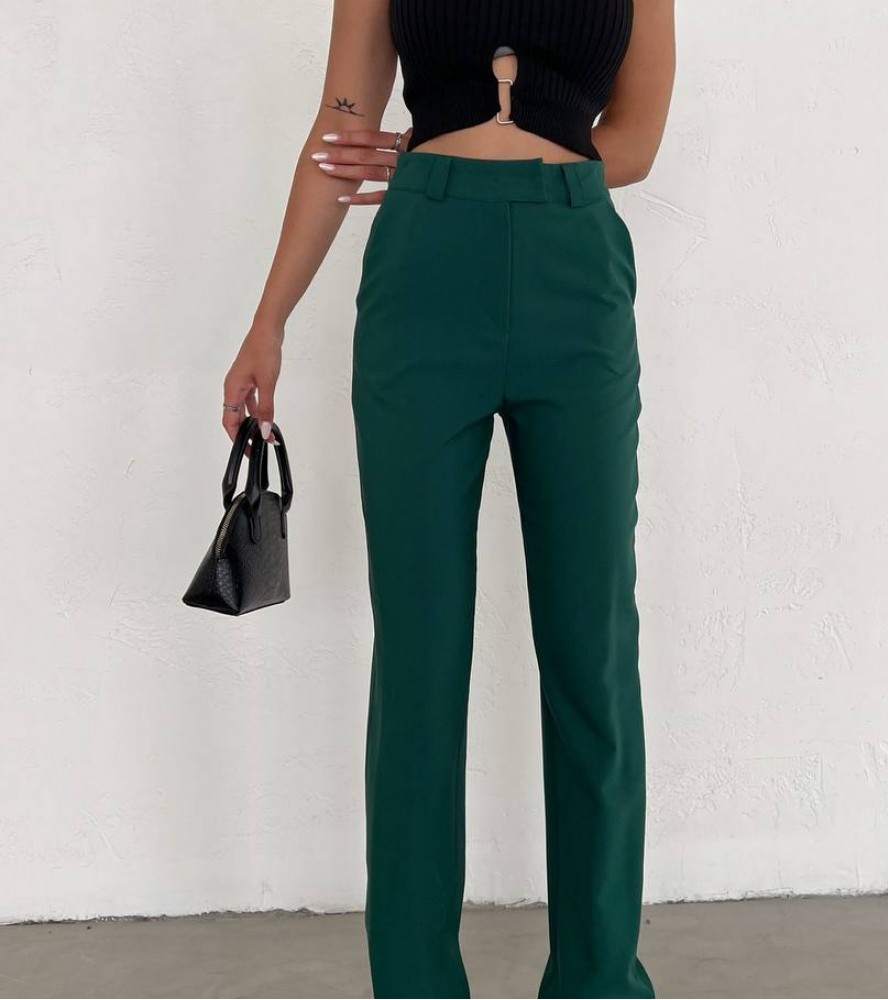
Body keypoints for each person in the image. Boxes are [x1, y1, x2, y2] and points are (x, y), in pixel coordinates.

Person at [222, 1, 676, 996]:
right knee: (420, 653)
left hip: (574, 271)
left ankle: (600, 981)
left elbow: (637, 137)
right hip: (423, 272)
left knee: (593, 648)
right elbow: (340, 125)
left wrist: (493, 178)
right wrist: (269, 320)